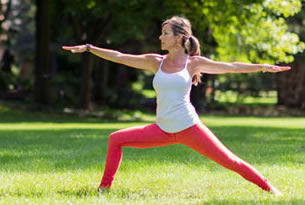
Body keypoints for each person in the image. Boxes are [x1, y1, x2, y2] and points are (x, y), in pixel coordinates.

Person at [62, 16, 290, 196]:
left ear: (180, 37)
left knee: (230, 161)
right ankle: (104, 189)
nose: (160, 37)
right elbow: (120, 56)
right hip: (161, 129)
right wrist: (90, 48)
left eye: (165, 33)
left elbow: (230, 66)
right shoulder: (155, 61)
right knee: (116, 139)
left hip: (190, 128)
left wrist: (263, 67)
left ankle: (270, 189)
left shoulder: (193, 64)